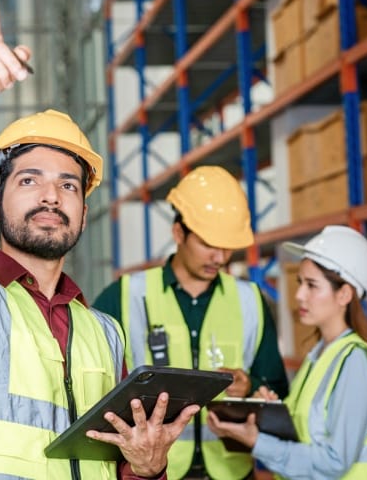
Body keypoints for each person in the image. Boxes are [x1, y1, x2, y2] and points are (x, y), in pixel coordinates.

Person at [0, 0, 200, 480]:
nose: (51, 195)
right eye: (29, 180)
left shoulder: (105, 335)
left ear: (84, 214)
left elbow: (121, 463)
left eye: (69, 185)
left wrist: (149, 469)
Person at [93, 166, 290, 480]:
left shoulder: (250, 299)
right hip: (153, 470)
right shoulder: (125, 295)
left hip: (231, 472)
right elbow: (92, 386)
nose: (220, 257)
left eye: (227, 247)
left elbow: (277, 389)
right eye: (209, 244)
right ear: (178, 233)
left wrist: (250, 386)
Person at [207, 225, 367, 478]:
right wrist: (270, 417)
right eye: (300, 283)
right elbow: (306, 436)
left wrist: (257, 441)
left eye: (312, 285)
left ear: (344, 294)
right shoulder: (320, 356)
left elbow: (334, 462)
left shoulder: (354, 362)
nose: (300, 295)